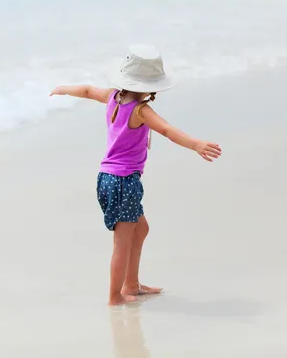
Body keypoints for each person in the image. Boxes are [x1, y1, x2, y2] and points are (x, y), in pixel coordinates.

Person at [50, 44, 222, 305]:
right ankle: (115, 297)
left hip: (107, 179)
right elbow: (166, 130)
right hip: (124, 182)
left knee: (140, 230)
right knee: (122, 242)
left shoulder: (111, 97)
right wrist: (196, 144)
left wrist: (63, 89)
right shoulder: (141, 111)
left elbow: (86, 90)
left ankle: (131, 284)